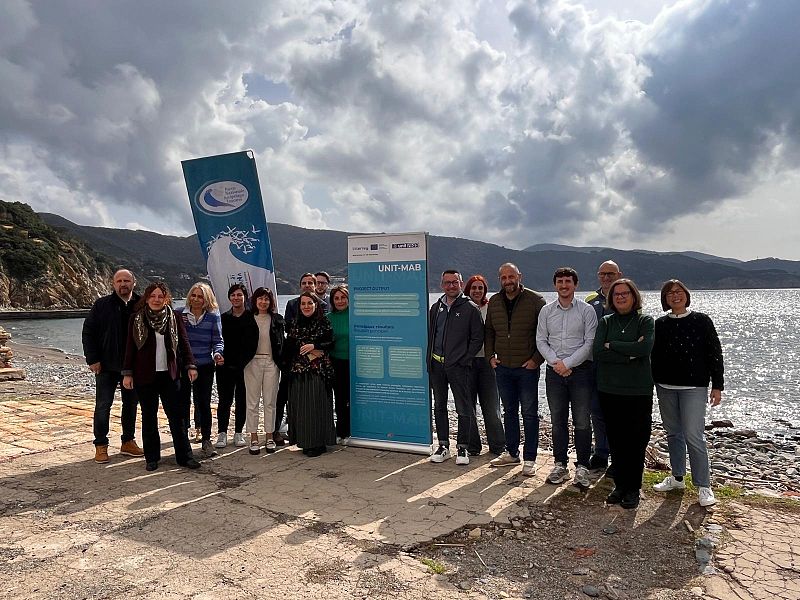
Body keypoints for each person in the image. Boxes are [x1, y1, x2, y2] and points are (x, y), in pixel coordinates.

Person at [651, 279, 724, 507]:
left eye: (679, 291)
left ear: (686, 294)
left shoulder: (701, 321)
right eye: (670, 293)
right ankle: (677, 478)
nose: (675, 296)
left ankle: (704, 486)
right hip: (665, 387)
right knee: (673, 433)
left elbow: (715, 353)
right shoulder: (660, 324)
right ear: (665, 298)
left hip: (694, 387)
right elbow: (654, 356)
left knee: (694, 435)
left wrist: (717, 385)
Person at [122, 282, 200, 471]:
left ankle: (185, 457)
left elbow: (184, 342)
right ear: (147, 298)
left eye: (160, 296)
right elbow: (130, 347)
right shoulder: (136, 318)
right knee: (149, 417)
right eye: (153, 296)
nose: (156, 299)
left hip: (170, 375)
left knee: (177, 417)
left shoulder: (174, 317)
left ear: (166, 299)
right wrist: (127, 373)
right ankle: (152, 458)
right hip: (144, 376)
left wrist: (191, 365)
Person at [592, 278, 654, 509]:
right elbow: (598, 352)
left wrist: (613, 345)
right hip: (610, 389)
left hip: (638, 391)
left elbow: (645, 348)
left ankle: (633, 488)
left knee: (636, 441)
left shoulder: (645, 321)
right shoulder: (606, 321)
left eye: (624, 293)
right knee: (616, 439)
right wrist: (630, 353)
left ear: (633, 296)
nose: (620, 297)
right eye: (616, 294)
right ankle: (619, 486)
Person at [536, 267, 597, 487]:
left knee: (582, 420)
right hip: (554, 373)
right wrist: (557, 363)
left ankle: (582, 466)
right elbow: (541, 340)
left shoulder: (587, 310)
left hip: (581, 372)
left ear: (575, 284)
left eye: (568, 281)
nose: (564, 285)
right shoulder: (546, 311)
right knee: (558, 420)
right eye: (560, 281)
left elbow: (589, 343)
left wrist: (568, 364)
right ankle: (560, 465)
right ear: (555, 285)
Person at [484, 263, 546, 476]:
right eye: (503, 277)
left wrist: (537, 360)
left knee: (529, 413)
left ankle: (530, 459)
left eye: (511, 276)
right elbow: (489, 331)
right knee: (509, 412)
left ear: (519, 276)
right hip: (503, 367)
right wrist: (490, 356)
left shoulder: (536, 300)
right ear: (499, 279)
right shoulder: (494, 301)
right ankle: (511, 453)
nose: (508, 281)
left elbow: (544, 333)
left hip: (527, 367)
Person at [82, 268, 144, 463]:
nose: (123, 284)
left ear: (134, 283)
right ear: (113, 283)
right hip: (106, 365)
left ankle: (128, 442)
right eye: (119, 281)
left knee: (131, 405)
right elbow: (88, 332)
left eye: (127, 280)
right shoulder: (102, 305)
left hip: (133, 366)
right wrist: (92, 359)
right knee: (103, 405)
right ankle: (101, 445)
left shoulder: (141, 304)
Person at [427, 270, 484, 465]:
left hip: (459, 367)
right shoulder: (436, 308)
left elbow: (477, 338)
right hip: (437, 365)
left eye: (454, 282)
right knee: (439, 405)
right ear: (441, 285)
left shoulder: (471, 308)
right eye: (447, 282)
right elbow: (431, 334)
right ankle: (443, 446)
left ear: (461, 283)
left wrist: (465, 359)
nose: (451, 286)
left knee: (463, 407)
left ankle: (463, 447)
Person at [284, 291, 336, 457]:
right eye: (303, 303)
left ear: (316, 305)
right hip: (299, 372)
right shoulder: (295, 323)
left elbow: (330, 342)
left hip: (318, 372)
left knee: (317, 407)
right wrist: (310, 350)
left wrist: (315, 346)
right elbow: (289, 346)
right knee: (302, 409)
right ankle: (305, 442)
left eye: (309, 303)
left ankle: (319, 443)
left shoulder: (323, 322)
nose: (306, 306)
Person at [177, 282, 224, 458]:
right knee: (183, 403)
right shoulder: (179, 314)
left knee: (204, 403)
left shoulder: (213, 317)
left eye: (200, 296)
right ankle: (183, 441)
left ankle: (206, 440)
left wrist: (218, 353)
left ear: (207, 299)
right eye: (194, 295)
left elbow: (218, 340)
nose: (196, 299)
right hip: (184, 365)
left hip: (205, 365)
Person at [584, 260, 622, 471]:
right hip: (593, 366)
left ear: (618, 275)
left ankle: (618, 458)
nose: (606, 277)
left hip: (617, 367)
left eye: (611, 274)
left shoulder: (625, 298)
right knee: (596, 411)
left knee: (616, 414)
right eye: (603, 274)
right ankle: (600, 453)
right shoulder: (590, 300)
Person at [463, 274, 505, 457]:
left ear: (485, 290)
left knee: (492, 407)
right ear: (468, 290)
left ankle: (498, 446)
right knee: (468, 407)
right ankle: (472, 447)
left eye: (480, 288)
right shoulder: (461, 309)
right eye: (474, 287)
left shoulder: (491, 308)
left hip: (488, 362)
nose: (477, 291)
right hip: (467, 363)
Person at [244, 287, 285, 455]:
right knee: (252, 402)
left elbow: (281, 342)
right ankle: (253, 437)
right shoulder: (247, 318)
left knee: (270, 402)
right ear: (255, 300)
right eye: (260, 298)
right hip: (252, 362)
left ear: (271, 301)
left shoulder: (277, 319)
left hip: (271, 362)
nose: (263, 302)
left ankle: (269, 435)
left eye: (266, 299)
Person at [215, 284, 257, 449]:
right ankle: (222, 433)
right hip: (224, 366)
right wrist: (219, 356)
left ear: (245, 297)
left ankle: (239, 432)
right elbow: (217, 340)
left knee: (242, 400)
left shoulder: (251, 318)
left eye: (239, 295)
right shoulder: (223, 318)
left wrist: (243, 362)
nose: (236, 298)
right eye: (233, 295)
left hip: (245, 366)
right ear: (229, 298)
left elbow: (253, 344)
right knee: (224, 401)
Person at [327, 284, 351, 441]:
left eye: (343, 298)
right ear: (332, 301)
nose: (340, 301)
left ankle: (354, 429)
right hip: (336, 362)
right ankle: (341, 431)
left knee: (354, 398)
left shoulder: (356, 315)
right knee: (340, 398)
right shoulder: (328, 318)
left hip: (355, 362)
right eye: (336, 298)